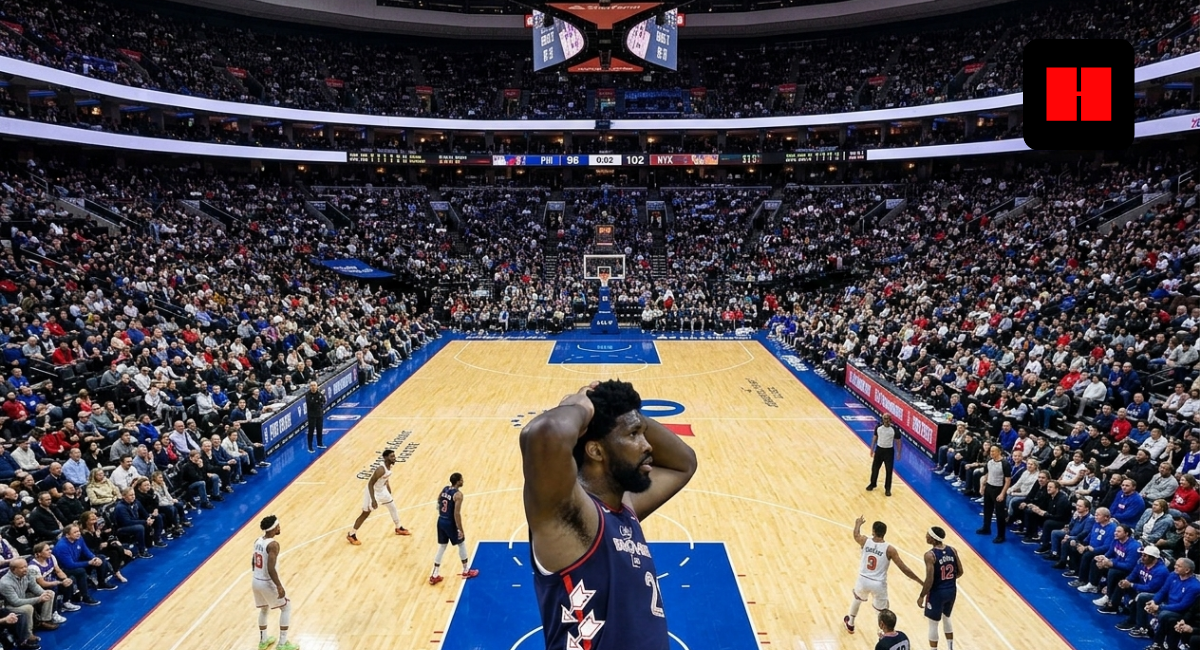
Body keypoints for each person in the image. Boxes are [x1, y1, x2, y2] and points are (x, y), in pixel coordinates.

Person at [518, 380, 698, 649]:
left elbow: (684, 463)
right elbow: (545, 433)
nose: (648, 445)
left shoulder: (625, 508)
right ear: (596, 450)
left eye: (643, 434)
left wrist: (621, 410)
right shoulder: (572, 515)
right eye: (634, 434)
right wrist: (580, 405)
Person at [843, 516, 922, 633]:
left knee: (857, 599)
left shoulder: (865, 541)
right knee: (881, 610)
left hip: (863, 579)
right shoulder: (890, 549)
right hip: (878, 584)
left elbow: (856, 535)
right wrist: (920, 581)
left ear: (873, 531)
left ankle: (850, 623)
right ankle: (882, 633)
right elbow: (904, 568)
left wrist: (858, 524)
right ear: (885, 533)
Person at [252, 516, 297, 650]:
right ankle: (282, 643)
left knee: (264, 609)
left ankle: (263, 640)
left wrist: (256, 575)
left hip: (255, 580)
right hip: (266, 582)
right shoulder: (273, 545)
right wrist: (278, 585)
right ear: (273, 528)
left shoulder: (257, 541)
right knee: (286, 607)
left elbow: (253, 561)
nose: (279, 528)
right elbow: (270, 568)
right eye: (278, 526)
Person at [347, 450, 410, 545]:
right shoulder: (380, 469)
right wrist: (373, 500)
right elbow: (370, 483)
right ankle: (351, 534)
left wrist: (388, 489)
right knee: (365, 514)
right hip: (372, 491)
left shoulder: (390, 466)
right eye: (391, 456)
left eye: (394, 456)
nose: (394, 458)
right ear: (385, 458)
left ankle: (398, 527)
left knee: (392, 507)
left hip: (382, 490)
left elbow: (385, 479)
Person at [918, 526, 962, 650]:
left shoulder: (930, 555)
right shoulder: (952, 550)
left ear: (933, 538)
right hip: (951, 590)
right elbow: (960, 571)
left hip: (937, 593)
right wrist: (948, 580)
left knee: (933, 624)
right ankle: (950, 647)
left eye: (928, 534)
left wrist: (921, 595)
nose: (925, 536)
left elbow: (930, 579)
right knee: (947, 617)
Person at [428, 473, 477, 584]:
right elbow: (457, 513)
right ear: (458, 482)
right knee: (461, 543)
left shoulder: (445, 489)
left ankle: (434, 574)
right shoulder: (458, 495)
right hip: (450, 522)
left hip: (441, 520)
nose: (463, 481)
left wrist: (439, 509)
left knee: (442, 547)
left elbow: (439, 498)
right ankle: (466, 570)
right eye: (462, 479)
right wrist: (460, 529)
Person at [976, 445, 1012, 543]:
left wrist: (1002, 494)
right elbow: (987, 475)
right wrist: (982, 486)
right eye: (991, 451)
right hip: (989, 486)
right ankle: (986, 528)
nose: (991, 453)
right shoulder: (989, 462)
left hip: (998, 488)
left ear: (999, 452)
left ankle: (1001, 535)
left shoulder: (1005, 464)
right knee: (987, 509)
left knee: (1000, 514)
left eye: (993, 451)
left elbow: (1008, 480)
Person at [867, 414, 899, 497]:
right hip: (879, 450)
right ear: (882, 419)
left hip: (889, 451)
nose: (886, 420)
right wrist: (872, 449)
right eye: (885, 418)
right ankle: (872, 484)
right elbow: (874, 438)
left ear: (890, 420)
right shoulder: (878, 428)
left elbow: (898, 441)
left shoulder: (894, 429)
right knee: (875, 468)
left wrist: (899, 452)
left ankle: (887, 489)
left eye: (888, 419)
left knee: (889, 471)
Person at [304, 382, 325, 453]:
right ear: (310, 387)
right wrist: (318, 402)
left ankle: (320, 443)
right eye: (311, 386)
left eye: (314, 385)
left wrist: (317, 402)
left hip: (319, 414)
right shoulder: (308, 395)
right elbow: (311, 403)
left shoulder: (319, 394)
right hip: (311, 415)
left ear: (317, 386)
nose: (313, 387)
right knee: (311, 431)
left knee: (319, 429)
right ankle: (310, 447)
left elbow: (323, 401)